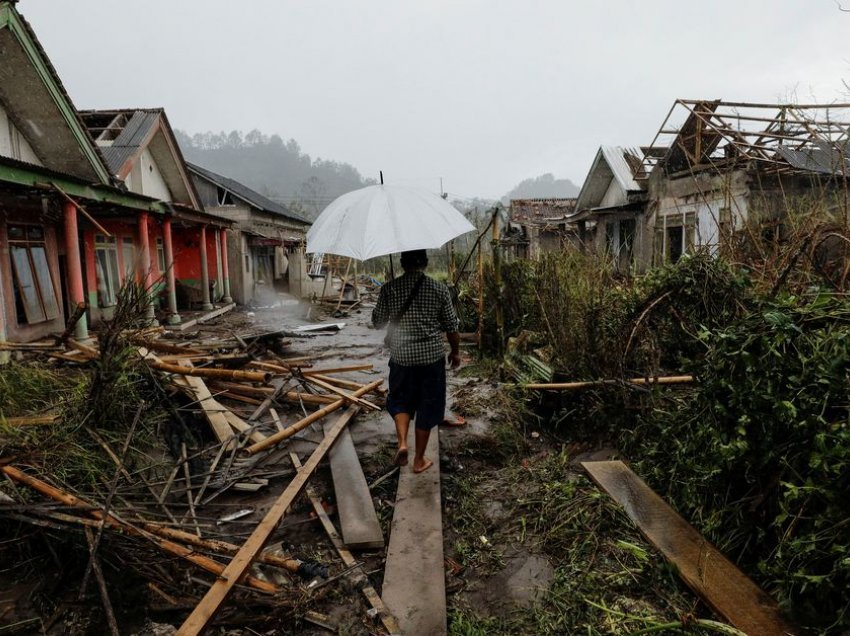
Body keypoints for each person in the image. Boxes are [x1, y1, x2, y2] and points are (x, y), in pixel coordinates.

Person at [372, 249, 461, 473]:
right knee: (428, 406)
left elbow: (377, 323)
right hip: (431, 359)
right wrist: (455, 352)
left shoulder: (389, 288)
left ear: (402, 263)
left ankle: (403, 443)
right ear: (425, 263)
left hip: (402, 358)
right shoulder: (439, 289)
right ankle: (419, 460)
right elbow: (452, 327)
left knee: (400, 400)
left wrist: (389, 295)